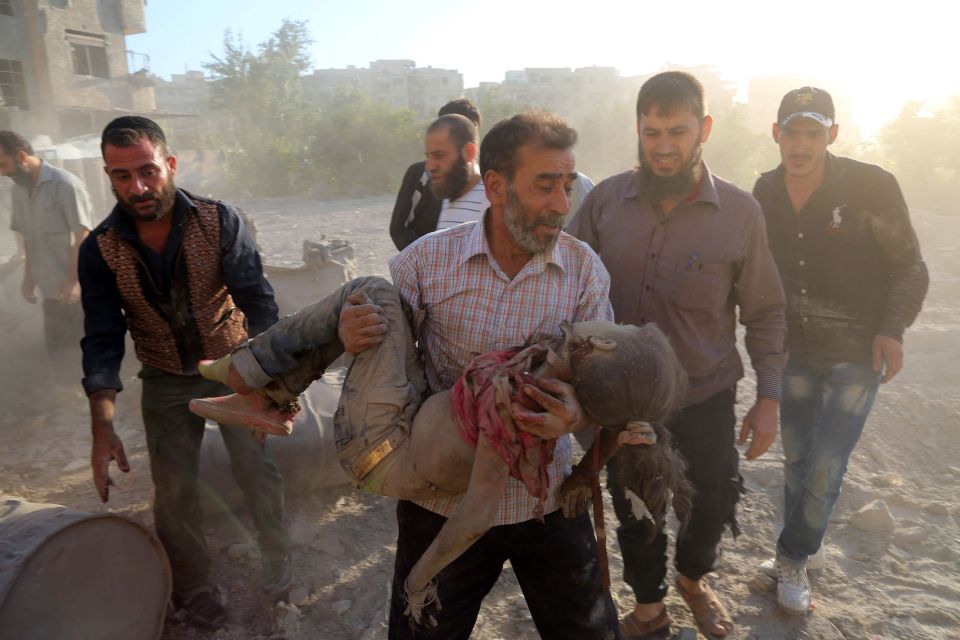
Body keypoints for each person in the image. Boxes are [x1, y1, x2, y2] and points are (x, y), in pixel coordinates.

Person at [189, 281, 692, 630]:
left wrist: (419, 578)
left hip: (380, 446)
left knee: (370, 290)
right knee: (374, 308)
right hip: (407, 420)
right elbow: (609, 418)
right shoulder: (551, 372)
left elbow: (475, 515)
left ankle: (252, 376)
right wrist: (588, 463)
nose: (610, 319)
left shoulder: (516, 402)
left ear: (601, 342)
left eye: (619, 327)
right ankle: (267, 393)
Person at [567, 71, 788, 640]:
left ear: (704, 130)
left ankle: (693, 580)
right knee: (636, 508)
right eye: (651, 131)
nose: (663, 145)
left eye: (677, 131)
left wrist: (769, 398)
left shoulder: (741, 214)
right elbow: (562, 285)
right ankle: (648, 608)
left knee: (706, 507)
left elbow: (764, 311)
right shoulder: (603, 204)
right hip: (624, 402)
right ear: (638, 131)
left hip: (704, 394)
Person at [78, 116, 291, 631]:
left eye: (147, 171)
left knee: (255, 469)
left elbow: (259, 305)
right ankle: (194, 583)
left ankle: (277, 559)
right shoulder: (100, 248)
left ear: (169, 165)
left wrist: (274, 382)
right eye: (122, 176)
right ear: (108, 177)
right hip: (165, 378)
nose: (138, 187)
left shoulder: (219, 221)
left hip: (234, 368)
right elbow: (103, 338)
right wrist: (101, 424)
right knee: (174, 490)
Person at [752, 87, 929, 614]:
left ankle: (792, 557)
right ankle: (807, 548)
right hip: (794, 352)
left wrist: (893, 328)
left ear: (832, 134)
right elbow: (752, 269)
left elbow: (910, 266)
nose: (801, 144)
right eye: (792, 132)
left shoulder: (871, 186)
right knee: (799, 458)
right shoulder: (764, 191)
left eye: (813, 132)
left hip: (857, 353)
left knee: (828, 462)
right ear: (777, 134)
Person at [0, 130, 93, 380]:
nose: (2, 172)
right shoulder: (19, 191)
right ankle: (70, 403)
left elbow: (82, 236)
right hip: (49, 290)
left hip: (78, 290)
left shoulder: (65, 184)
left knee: (81, 352)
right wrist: (28, 278)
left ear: (21, 156)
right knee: (58, 351)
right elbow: (29, 239)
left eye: (3, 164)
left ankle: (92, 401)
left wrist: (73, 280)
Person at [389, 98, 481, 250]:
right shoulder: (420, 174)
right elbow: (398, 229)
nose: (432, 166)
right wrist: (422, 262)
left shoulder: (492, 186)